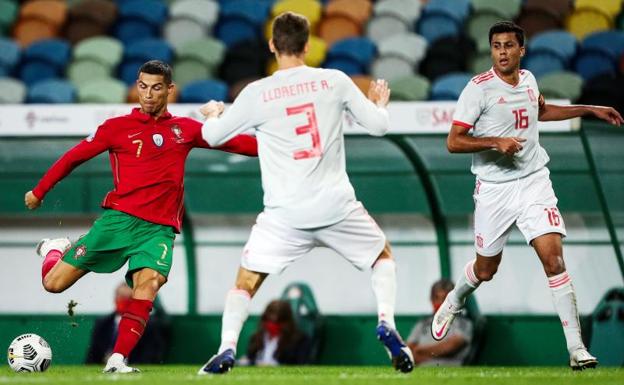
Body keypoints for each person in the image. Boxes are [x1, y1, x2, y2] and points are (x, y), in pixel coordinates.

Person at [197, 11, 414, 375]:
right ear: (308, 46)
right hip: (335, 205)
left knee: (246, 282)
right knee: (382, 257)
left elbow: (212, 137)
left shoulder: (256, 92)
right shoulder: (334, 80)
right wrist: (378, 103)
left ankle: (227, 348)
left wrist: (213, 114)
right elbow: (379, 127)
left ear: (272, 45)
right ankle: (386, 321)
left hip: (284, 214)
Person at [23, 60, 258, 373]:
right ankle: (56, 248)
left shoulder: (185, 129)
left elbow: (243, 145)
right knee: (53, 284)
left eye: (156, 87)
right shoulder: (115, 128)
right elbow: (72, 158)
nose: (148, 94)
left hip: (157, 231)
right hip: (117, 222)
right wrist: (39, 191)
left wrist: (286, 146)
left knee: (148, 284)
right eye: (143, 87)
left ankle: (117, 359)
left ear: (170, 91)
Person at [432, 21, 623, 371]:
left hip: (534, 181)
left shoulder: (530, 80)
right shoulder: (478, 89)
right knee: (486, 269)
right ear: (491, 50)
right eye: (496, 46)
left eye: (508, 45)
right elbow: (453, 141)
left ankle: (577, 349)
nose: (502, 52)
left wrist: (588, 109)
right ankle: (455, 298)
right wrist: (495, 141)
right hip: (494, 189)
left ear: (522, 50)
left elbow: (541, 111)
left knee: (554, 260)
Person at [86, 283, 171, 365]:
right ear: (115, 298)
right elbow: (92, 357)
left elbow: (151, 356)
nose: (125, 301)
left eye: (129, 298)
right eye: (122, 297)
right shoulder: (102, 324)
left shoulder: (148, 325)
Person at [407, 279, 472, 366]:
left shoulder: (463, 322)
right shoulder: (423, 323)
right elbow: (407, 350)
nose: (440, 303)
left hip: (449, 369)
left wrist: (420, 351)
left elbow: (452, 346)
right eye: (436, 298)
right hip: (420, 370)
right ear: (431, 300)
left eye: (445, 299)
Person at [245, 300, 312, 366]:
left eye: (277, 321)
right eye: (269, 320)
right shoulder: (256, 338)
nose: (272, 324)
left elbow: (300, 364)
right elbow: (250, 359)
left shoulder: (300, 340)